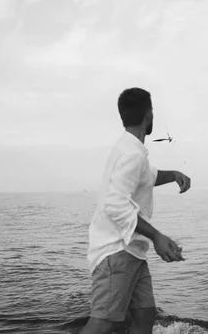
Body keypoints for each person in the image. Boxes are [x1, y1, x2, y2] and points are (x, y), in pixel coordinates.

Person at [80, 87, 191, 334]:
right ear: (149, 115)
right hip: (116, 250)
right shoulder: (132, 154)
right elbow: (114, 204)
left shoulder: (129, 149)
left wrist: (173, 174)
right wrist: (156, 236)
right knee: (104, 322)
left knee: (144, 314)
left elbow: (146, 176)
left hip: (132, 251)